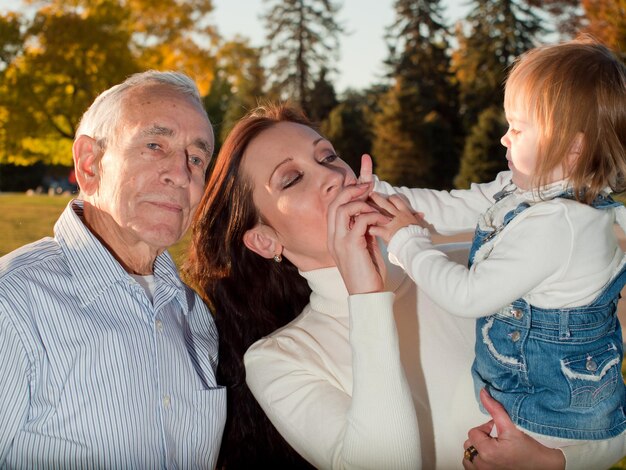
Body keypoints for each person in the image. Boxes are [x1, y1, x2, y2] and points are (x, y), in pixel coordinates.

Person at [185, 103, 626, 469]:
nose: (333, 178)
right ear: (266, 240)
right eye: (292, 178)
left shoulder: (475, 267)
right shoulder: (280, 359)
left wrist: (555, 463)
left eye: (327, 157)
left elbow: (602, 405)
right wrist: (368, 296)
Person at [367, 38, 626, 455]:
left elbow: (468, 295)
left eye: (519, 129)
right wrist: (379, 193)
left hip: (555, 421)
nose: (505, 138)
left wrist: (407, 242)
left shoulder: (559, 225)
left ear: (573, 147)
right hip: (524, 399)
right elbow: (447, 207)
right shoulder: (524, 190)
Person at [0, 71, 226, 467]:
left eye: (196, 157)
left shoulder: (194, 315)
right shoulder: (13, 304)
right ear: (90, 165)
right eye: (155, 144)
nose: (182, 173)